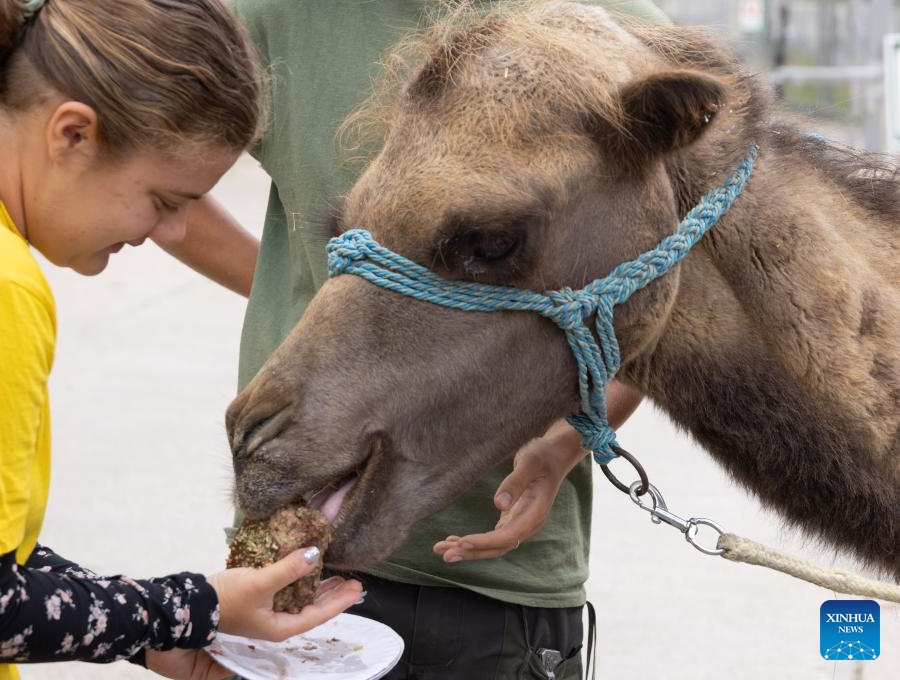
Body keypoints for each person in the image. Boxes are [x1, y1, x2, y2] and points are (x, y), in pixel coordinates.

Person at [162, 1, 668, 678]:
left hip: (499, 574)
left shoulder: (613, 33)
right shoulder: (280, 18)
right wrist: (317, 287)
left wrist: (562, 447)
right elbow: (150, 168)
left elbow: (668, 290)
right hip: (296, 535)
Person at [0, 1, 363, 679]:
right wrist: (191, 608)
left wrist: (147, 630)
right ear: (73, 134)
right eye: (165, 201)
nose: (169, 234)